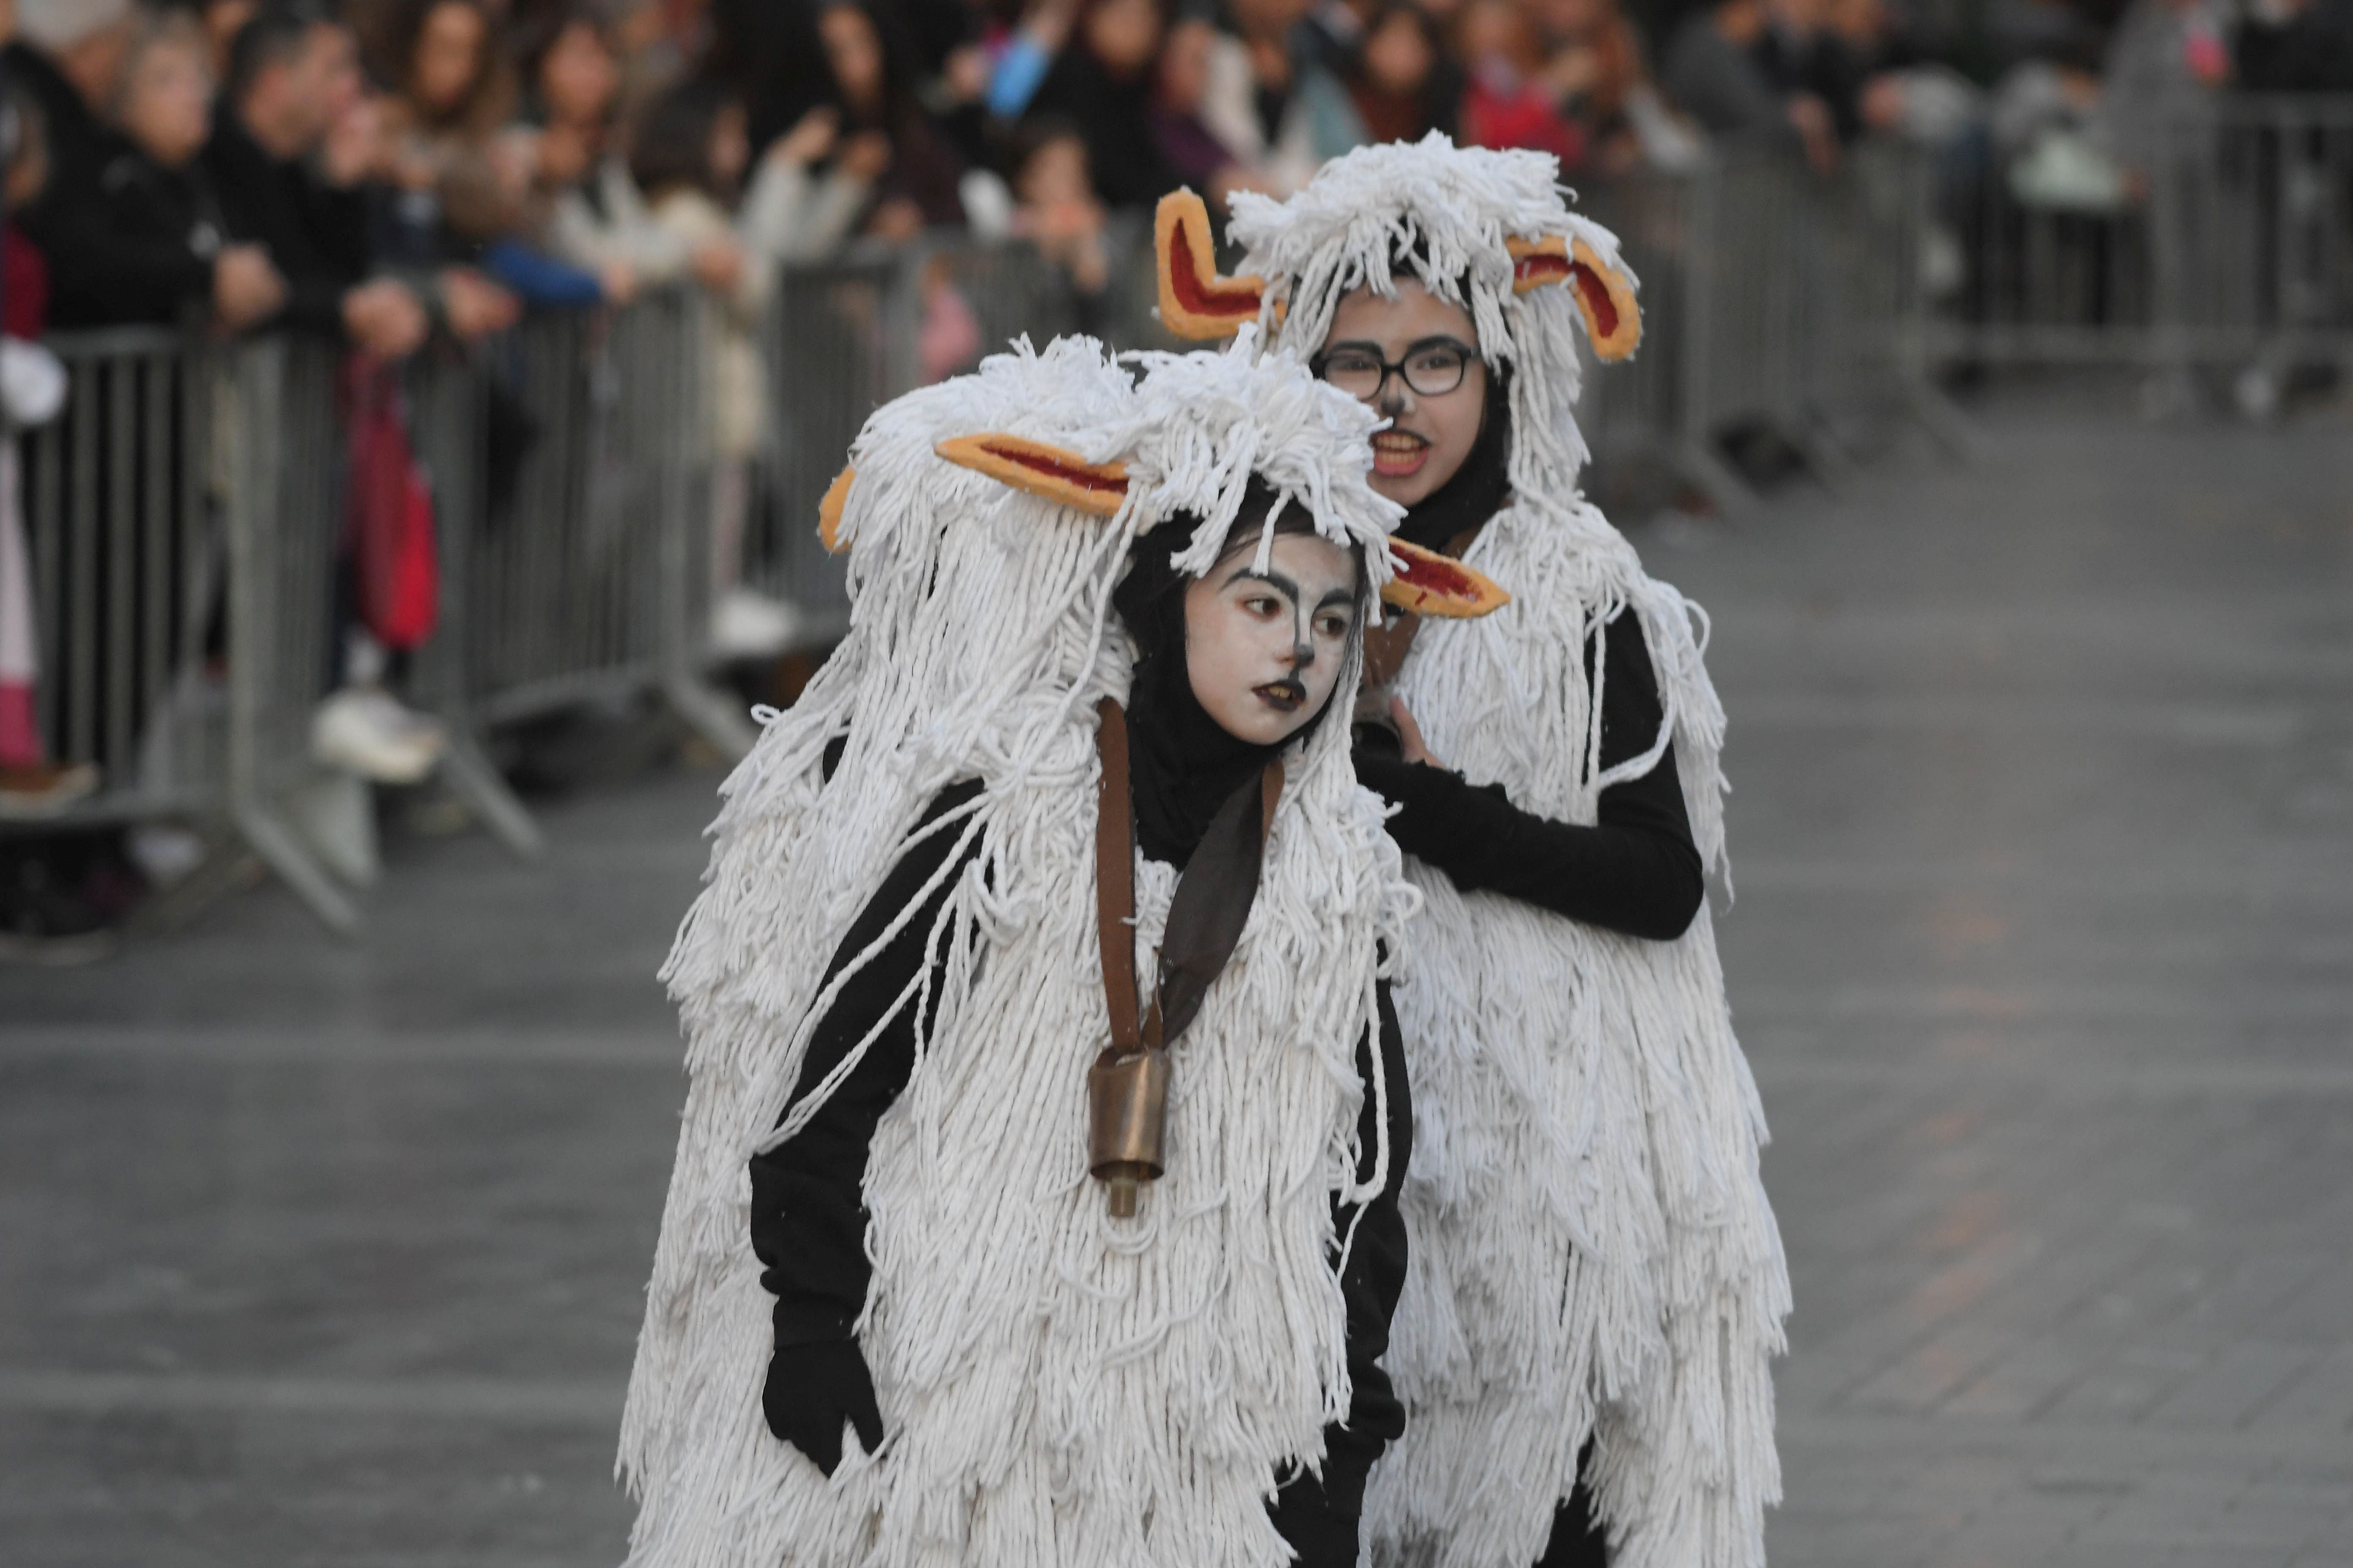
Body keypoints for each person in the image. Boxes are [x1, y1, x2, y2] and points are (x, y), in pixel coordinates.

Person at [618, 334, 1507, 1568]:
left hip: (1195, 1419)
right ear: (1166, 601)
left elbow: (1365, 1179)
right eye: (1258, 602)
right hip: (957, 1384)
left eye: (1330, 616)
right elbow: (834, 1079)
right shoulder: (1009, 812)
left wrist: (1342, 1426)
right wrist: (813, 1316)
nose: (1297, 648)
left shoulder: (1331, 868)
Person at [1158, 137, 1789, 1568]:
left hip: (1540, 1165)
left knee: (1528, 1505)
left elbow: (1658, 877)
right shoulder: (1247, 577)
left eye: (1436, 361)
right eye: (1354, 360)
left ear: (1501, 374)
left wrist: (1433, 814)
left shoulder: (1577, 587)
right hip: (1314, 1150)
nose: (1392, 402)